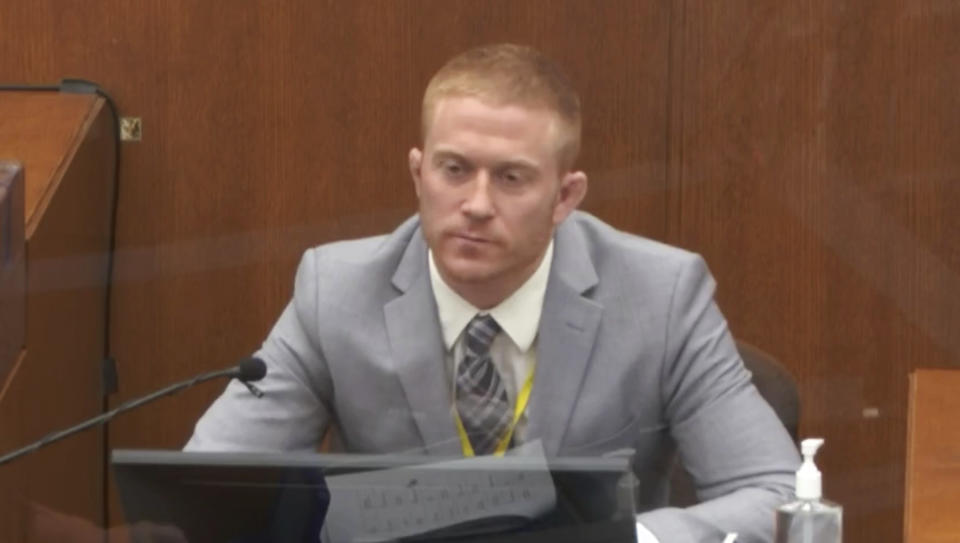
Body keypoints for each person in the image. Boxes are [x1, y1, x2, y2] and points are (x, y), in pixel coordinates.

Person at [186, 43, 799, 542]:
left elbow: (780, 499)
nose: (476, 205)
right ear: (418, 174)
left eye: (511, 178)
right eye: (454, 170)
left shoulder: (661, 297)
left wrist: (629, 540)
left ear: (565, 197)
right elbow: (207, 485)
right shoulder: (337, 293)